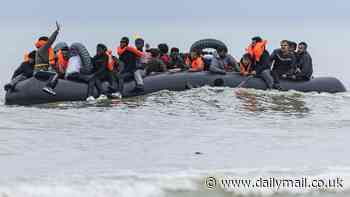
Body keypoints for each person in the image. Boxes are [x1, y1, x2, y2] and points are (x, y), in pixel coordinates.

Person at [33, 22, 61, 95]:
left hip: (40, 71)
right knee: (55, 74)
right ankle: (48, 87)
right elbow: (50, 41)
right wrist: (57, 31)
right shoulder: (43, 48)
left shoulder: (40, 51)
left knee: (54, 73)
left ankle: (49, 88)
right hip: (39, 71)